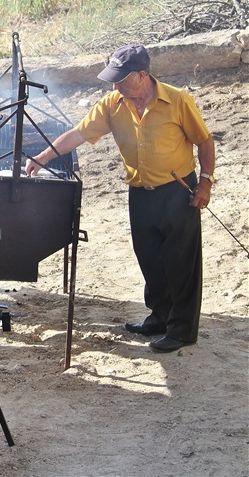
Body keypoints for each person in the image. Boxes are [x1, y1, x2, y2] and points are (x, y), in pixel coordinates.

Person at [25, 43, 215, 353]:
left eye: (121, 79)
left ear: (143, 76)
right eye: (112, 79)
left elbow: (205, 141)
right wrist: (44, 156)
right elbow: (79, 134)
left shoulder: (178, 101)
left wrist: (205, 183)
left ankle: (182, 330)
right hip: (140, 192)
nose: (114, 86)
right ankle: (159, 317)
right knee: (150, 259)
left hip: (178, 191)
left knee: (181, 262)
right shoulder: (112, 104)